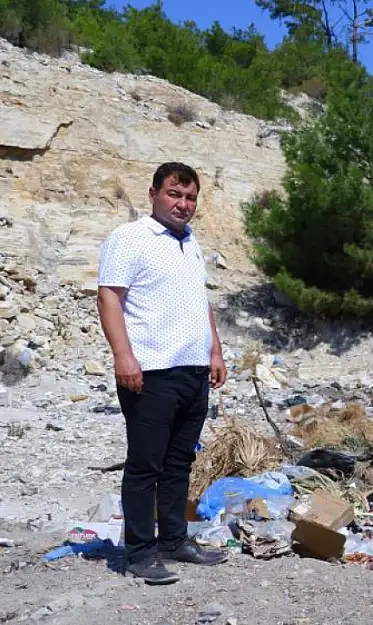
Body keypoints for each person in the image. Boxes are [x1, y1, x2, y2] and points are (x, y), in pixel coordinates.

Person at [96, 162, 229, 585]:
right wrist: (123, 356)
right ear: (154, 193)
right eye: (175, 194)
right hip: (150, 370)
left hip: (192, 370)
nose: (183, 204)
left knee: (179, 463)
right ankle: (138, 552)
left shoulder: (191, 243)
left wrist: (215, 351)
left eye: (190, 197)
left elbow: (200, 303)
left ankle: (174, 540)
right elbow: (109, 298)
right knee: (145, 465)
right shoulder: (128, 239)